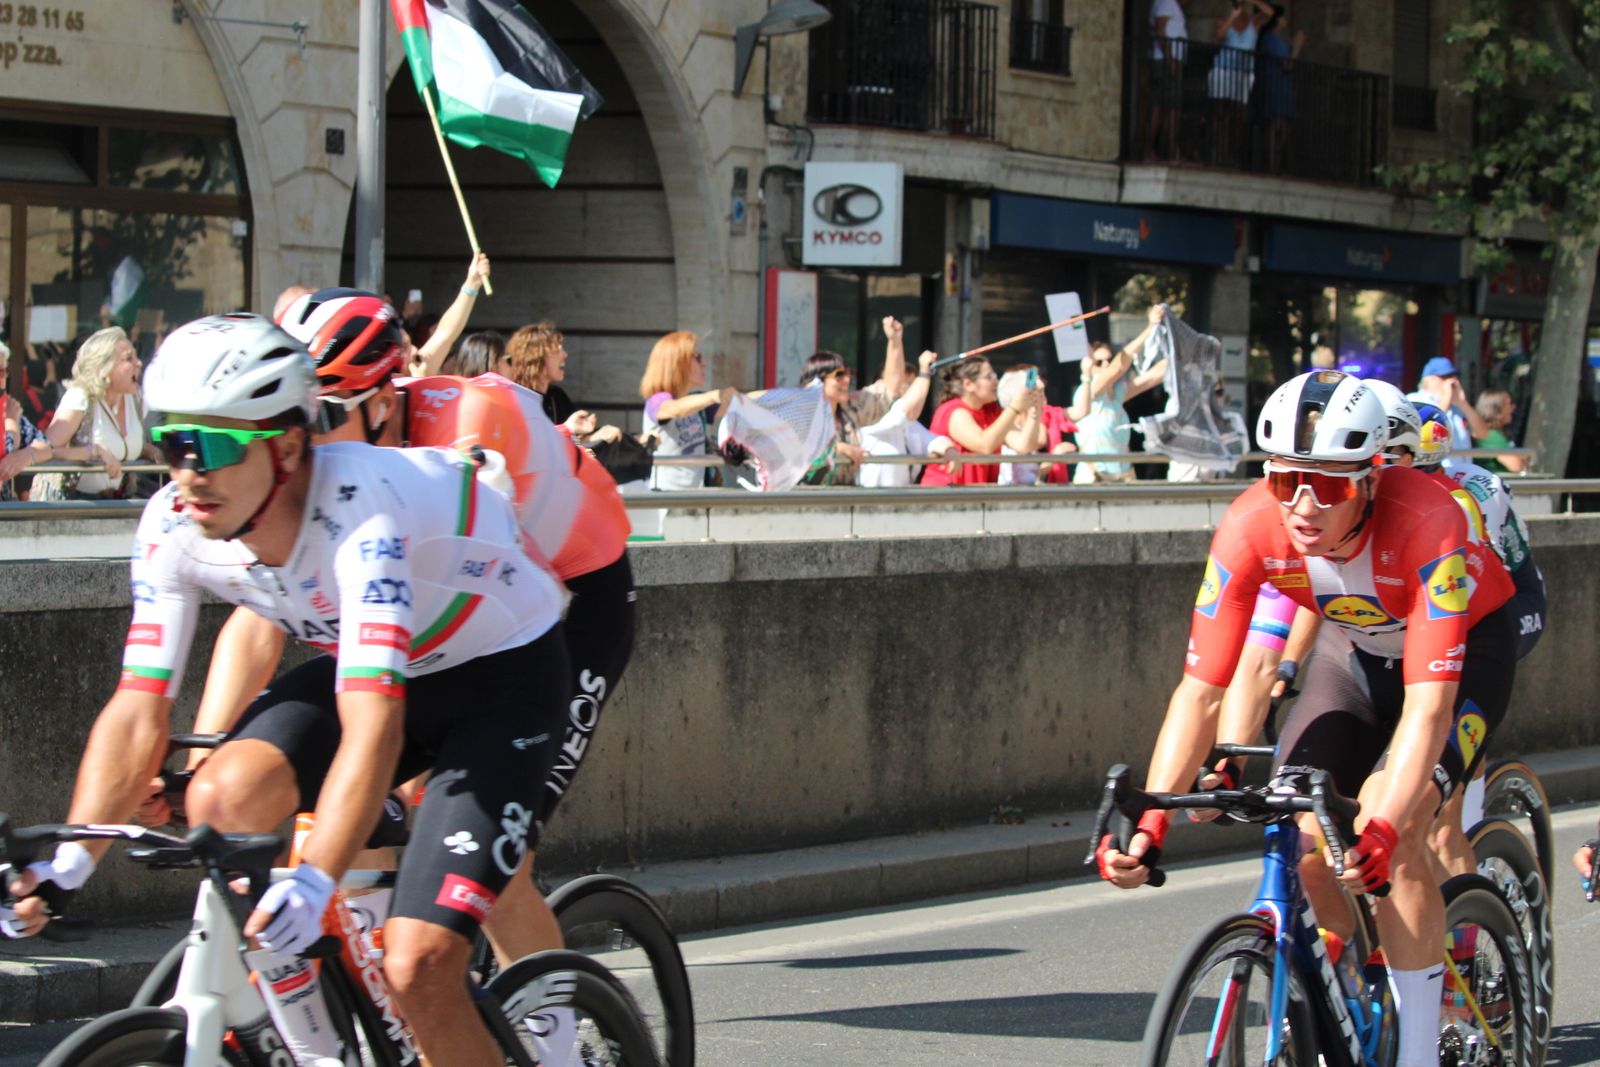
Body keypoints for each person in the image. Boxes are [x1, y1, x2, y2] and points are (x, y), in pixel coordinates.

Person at [6, 313, 571, 1067]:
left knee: (417, 963)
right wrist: (71, 865)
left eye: (211, 445)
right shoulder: (174, 523)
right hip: (396, 662)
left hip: (505, 668)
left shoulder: (361, 516)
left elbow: (375, 729)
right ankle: (320, 1048)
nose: (186, 471)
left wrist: (313, 879)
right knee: (219, 795)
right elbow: (139, 702)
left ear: (289, 444)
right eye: (171, 442)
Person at [1098, 370, 1517, 1067]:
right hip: (1352, 652)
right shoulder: (1250, 524)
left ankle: (1417, 1049)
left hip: (1465, 657)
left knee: (1396, 824)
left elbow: (1427, 706)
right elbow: (1201, 689)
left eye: (1327, 484)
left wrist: (1383, 827)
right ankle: (1349, 994)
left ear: (1372, 480)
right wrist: (1151, 821)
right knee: (1309, 835)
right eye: (1284, 477)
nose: (1301, 502)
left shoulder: (1428, 520)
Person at [43, 326, 160, 499]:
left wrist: (153, 452)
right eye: (128, 358)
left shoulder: (136, 400)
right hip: (72, 506)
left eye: (136, 356)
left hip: (115, 504)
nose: (139, 363)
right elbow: (45, 451)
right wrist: (93, 452)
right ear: (104, 367)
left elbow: (123, 446)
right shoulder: (80, 397)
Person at [1066, 306, 1169, 483]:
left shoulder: (1118, 393)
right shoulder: (1088, 390)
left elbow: (1153, 377)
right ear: (1090, 366)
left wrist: (1185, 351)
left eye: (1109, 359)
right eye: (1099, 362)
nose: (1105, 365)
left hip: (1123, 479)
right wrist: (1150, 328)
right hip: (1093, 480)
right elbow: (1119, 366)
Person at [919, 357, 1042, 486]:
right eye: (989, 377)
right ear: (968, 385)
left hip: (976, 494)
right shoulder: (953, 411)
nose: (996, 381)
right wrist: (1014, 408)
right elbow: (984, 445)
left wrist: (1035, 412)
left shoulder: (991, 411)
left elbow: (1023, 446)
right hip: (945, 494)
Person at [504, 320, 622, 446]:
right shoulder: (515, 400)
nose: (565, 355)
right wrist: (572, 432)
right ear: (536, 358)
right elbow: (531, 447)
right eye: (557, 351)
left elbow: (573, 444)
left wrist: (596, 435)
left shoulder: (557, 397)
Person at [640, 329, 732, 491]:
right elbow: (673, 410)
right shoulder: (657, 400)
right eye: (697, 358)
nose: (704, 364)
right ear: (677, 363)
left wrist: (781, 395)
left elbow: (741, 405)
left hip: (694, 498)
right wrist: (713, 396)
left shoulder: (697, 402)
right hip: (664, 499)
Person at [1206, 0, 1272, 167]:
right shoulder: (1225, 20)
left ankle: (1232, 155)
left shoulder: (1253, 21)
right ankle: (1218, 152)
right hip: (1223, 69)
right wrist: (1232, 17)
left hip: (1243, 72)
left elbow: (1270, 14)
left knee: (1238, 115)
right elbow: (1220, 34)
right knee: (1219, 113)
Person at [408, 253, 492, 377]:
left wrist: (472, 284)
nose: (414, 350)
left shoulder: (417, 368)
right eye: (404, 347)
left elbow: (444, 334)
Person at [996, 366, 1077, 484]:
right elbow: (1024, 446)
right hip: (1010, 497)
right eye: (1036, 392)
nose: (1042, 396)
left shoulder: (1030, 423)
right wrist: (1054, 456)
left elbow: (1034, 476)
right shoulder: (1007, 426)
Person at [1257, 4, 1307, 174]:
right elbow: (1287, 64)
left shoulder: (1276, 40)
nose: (1284, 20)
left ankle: (1276, 166)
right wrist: (1298, 46)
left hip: (1283, 88)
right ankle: (1271, 167)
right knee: (1275, 127)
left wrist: (1292, 46)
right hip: (1275, 87)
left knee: (1284, 129)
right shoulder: (1270, 39)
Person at [1, 341, 54, 500]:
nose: (2, 378)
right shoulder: (9, 413)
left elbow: (45, 446)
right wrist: (12, 423)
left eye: (4, 371)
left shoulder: (5, 406)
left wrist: (25, 456)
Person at [1407, 357, 1489, 452]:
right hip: (1437, 465)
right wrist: (1446, 397)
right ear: (1430, 379)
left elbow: (1483, 434)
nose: (1452, 381)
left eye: (1453, 376)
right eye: (1445, 377)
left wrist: (1463, 403)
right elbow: (1426, 429)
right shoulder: (1415, 399)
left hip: (1463, 465)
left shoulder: (1457, 406)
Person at [1146, 0, 1189, 162]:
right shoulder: (1167, 3)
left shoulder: (1169, 4)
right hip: (1166, 62)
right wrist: (1170, 58)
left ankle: (1163, 149)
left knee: (1169, 106)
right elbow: (1160, 29)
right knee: (1167, 107)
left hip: (1168, 61)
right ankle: (1162, 151)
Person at [1472, 388, 1526, 473]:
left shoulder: (1489, 434)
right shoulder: (1491, 436)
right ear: (1497, 410)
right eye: (1509, 404)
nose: (1513, 407)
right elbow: (1516, 466)